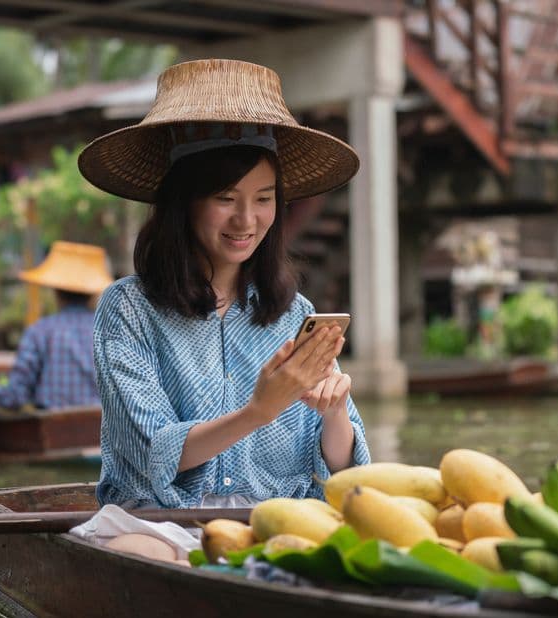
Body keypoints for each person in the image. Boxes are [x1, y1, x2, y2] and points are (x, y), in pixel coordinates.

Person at [78, 59, 370, 509]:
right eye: (225, 198)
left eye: (264, 199)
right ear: (183, 203)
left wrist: (333, 411)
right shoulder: (128, 308)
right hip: (162, 525)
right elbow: (152, 451)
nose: (246, 220)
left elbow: (345, 471)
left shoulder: (295, 314)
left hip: (278, 524)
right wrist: (260, 410)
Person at [0, 241, 113, 410]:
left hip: (51, 432)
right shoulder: (111, 333)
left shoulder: (40, 332)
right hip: (104, 432)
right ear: (92, 294)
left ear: (56, 292)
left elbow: (15, 396)